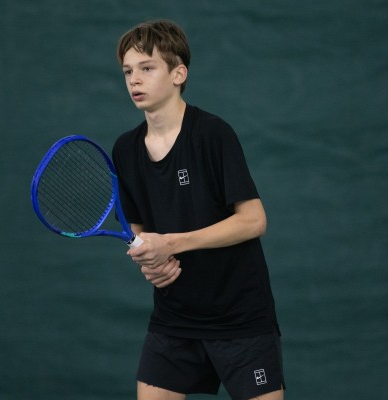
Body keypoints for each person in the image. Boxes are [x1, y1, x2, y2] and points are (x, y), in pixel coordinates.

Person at [112, 20, 284, 400]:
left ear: (178, 74)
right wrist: (149, 261)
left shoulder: (212, 134)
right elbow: (138, 229)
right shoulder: (125, 149)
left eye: (147, 68)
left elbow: (254, 220)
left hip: (240, 318)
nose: (134, 79)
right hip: (173, 320)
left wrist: (172, 244)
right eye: (127, 71)